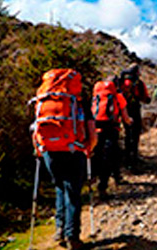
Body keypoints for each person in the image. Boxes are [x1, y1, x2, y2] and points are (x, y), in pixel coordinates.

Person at [30, 69, 98, 250]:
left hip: (49, 151)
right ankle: (72, 237)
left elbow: (35, 129)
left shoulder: (43, 100)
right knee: (73, 192)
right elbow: (92, 133)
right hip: (74, 150)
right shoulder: (79, 102)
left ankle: (59, 229)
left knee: (60, 186)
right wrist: (89, 149)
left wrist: (39, 149)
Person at [91, 76, 133, 198]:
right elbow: (125, 118)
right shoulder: (118, 97)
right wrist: (129, 121)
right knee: (110, 157)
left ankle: (92, 182)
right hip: (111, 130)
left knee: (97, 156)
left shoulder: (96, 96)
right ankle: (103, 187)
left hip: (96, 130)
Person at [119, 63, 151, 166]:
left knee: (127, 134)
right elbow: (145, 98)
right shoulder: (139, 83)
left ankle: (126, 159)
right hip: (134, 110)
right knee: (135, 135)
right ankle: (133, 161)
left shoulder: (121, 81)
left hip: (122, 110)